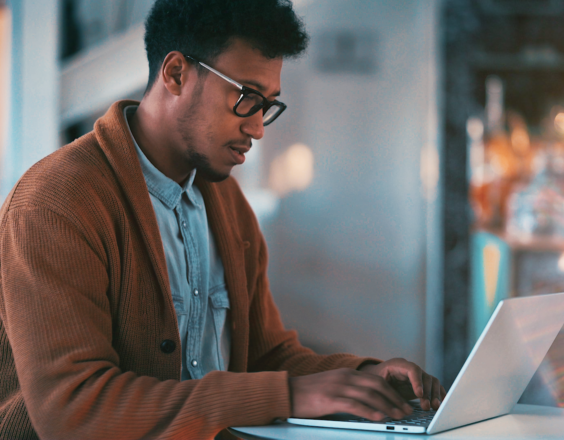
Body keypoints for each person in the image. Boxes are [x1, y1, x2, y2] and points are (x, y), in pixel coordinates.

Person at [0, 0, 445, 438]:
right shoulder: (56, 203)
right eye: (247, 98)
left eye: (268, 104)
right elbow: (73, 411)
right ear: (176, 73)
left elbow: (264, 357)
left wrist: (364, 377)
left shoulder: (224, 200)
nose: (258, 128)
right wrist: (284, 395)